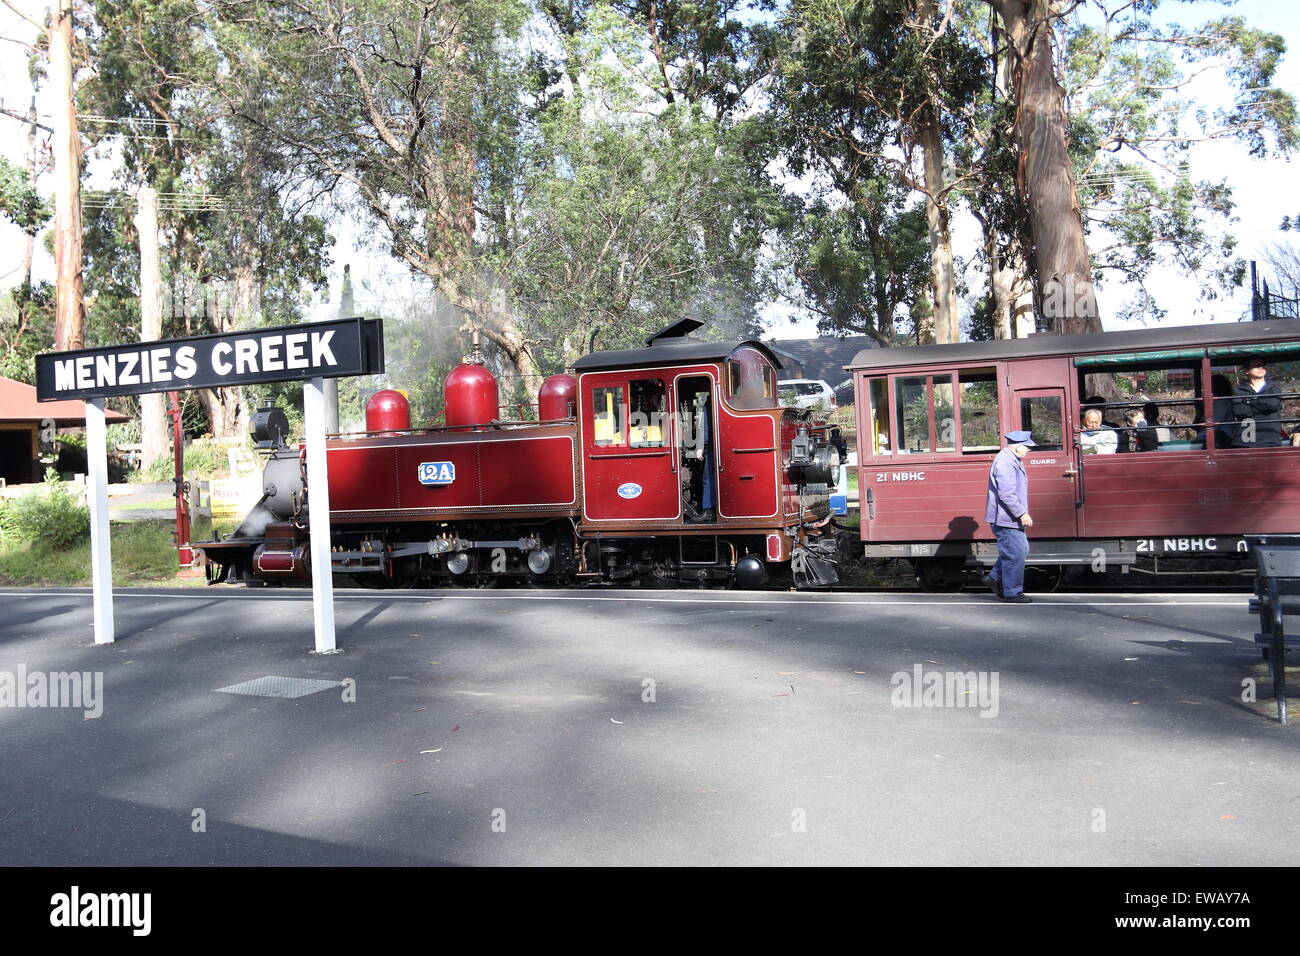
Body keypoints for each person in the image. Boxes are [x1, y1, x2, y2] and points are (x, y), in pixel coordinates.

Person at [983, 430, 1035, 604]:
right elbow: (1006, 494)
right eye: (1027, 447)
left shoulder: (1011, 459)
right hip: (1006, 517)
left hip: (1008, 516)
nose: (1029, 450)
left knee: (1019, 550)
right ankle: (1012, 592)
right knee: (1015, 553)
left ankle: (995, 578)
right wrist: (1022, 513)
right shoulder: (1005, 463)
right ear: (1018, 446)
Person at [1233, 356, 1283, 447]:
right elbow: (1239, 410)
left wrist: (1250, 402)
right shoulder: (1239, 389)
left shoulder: (1274, 387)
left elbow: (1273, 404)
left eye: (1261, 365)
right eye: (1255, 365)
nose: (1260, 368)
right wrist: (1262, 405)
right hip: (1245, 439)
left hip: (1270, 437)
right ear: (1247, 371)